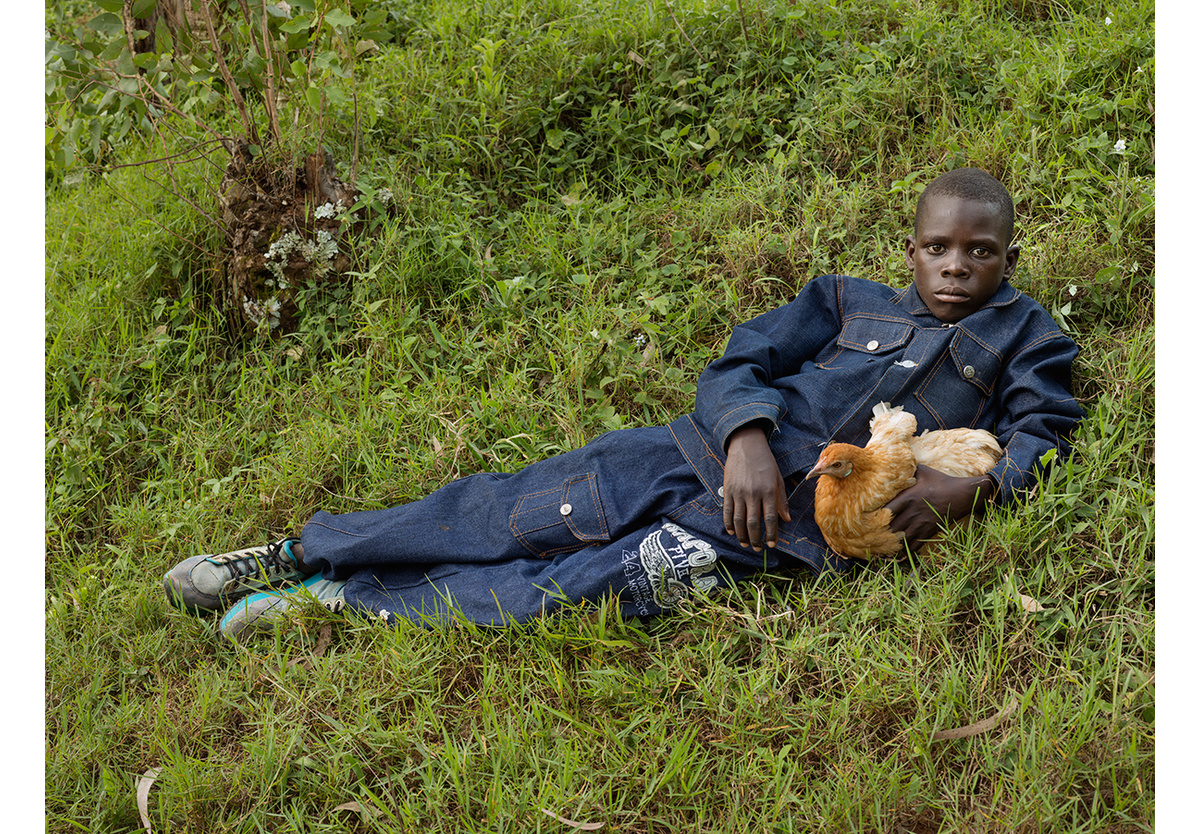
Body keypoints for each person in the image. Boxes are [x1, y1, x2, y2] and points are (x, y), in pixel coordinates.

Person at [163, 167, 1084, 640]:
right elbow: (742, 358)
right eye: (938, 249)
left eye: (981, 253)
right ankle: (291, 550)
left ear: (1009, 254)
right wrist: (746, 439)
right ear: (912, 250)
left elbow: (1044, 429)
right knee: (505, 514)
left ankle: (331, 601)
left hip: (774, 537)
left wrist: (979, 490)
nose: (957, 268)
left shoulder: (1026, 335)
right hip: (687, 456)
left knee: (565, 593)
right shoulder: (848, 300)